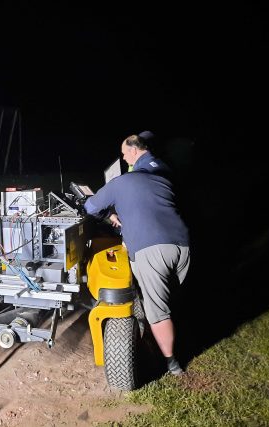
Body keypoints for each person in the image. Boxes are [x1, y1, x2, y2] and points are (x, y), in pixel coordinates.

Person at [84, 133, 190, 376]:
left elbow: (91, 206)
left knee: (159, 311)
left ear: (133, 152)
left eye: (124, 153)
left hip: (151, 249)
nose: (122, 157)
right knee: (167, 297)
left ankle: (171, 364)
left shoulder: (121, 182)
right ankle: (169, 333)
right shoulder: (161, 177)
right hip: (182, 245)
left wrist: (109, 214)